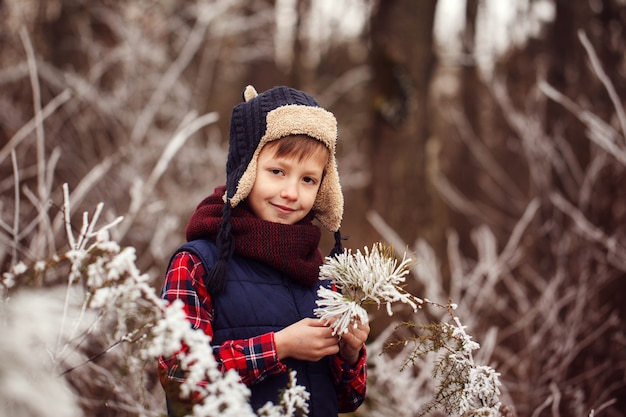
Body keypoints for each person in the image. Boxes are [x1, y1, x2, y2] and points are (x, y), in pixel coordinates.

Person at [158, 85, 369, 416]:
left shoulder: (324, 276)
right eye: (277, 172)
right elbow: (180, 376)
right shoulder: (199, 263)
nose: (291, 192)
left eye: (309, 180)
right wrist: (279, 347)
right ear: (246, 170)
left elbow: (349, 398)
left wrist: (350, 354)